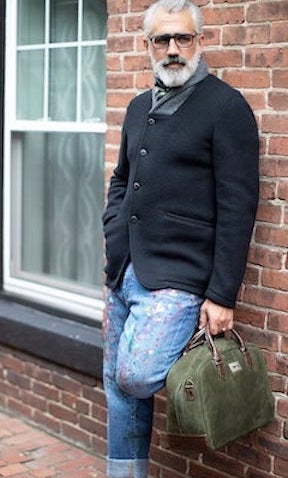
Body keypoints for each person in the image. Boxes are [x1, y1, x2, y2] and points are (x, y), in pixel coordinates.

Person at [102, 0, 260, 477]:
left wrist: (221, 294)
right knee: (115, 382)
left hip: (178, 280)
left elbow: (238, 205)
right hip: (124, 273)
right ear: (147, 45)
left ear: (200, 41)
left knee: (136, 376)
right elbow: (121, 179)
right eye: (162, 40)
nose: (173, 50)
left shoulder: (226, 107)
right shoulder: (136, 107)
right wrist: (113, 235)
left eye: (183, 38)